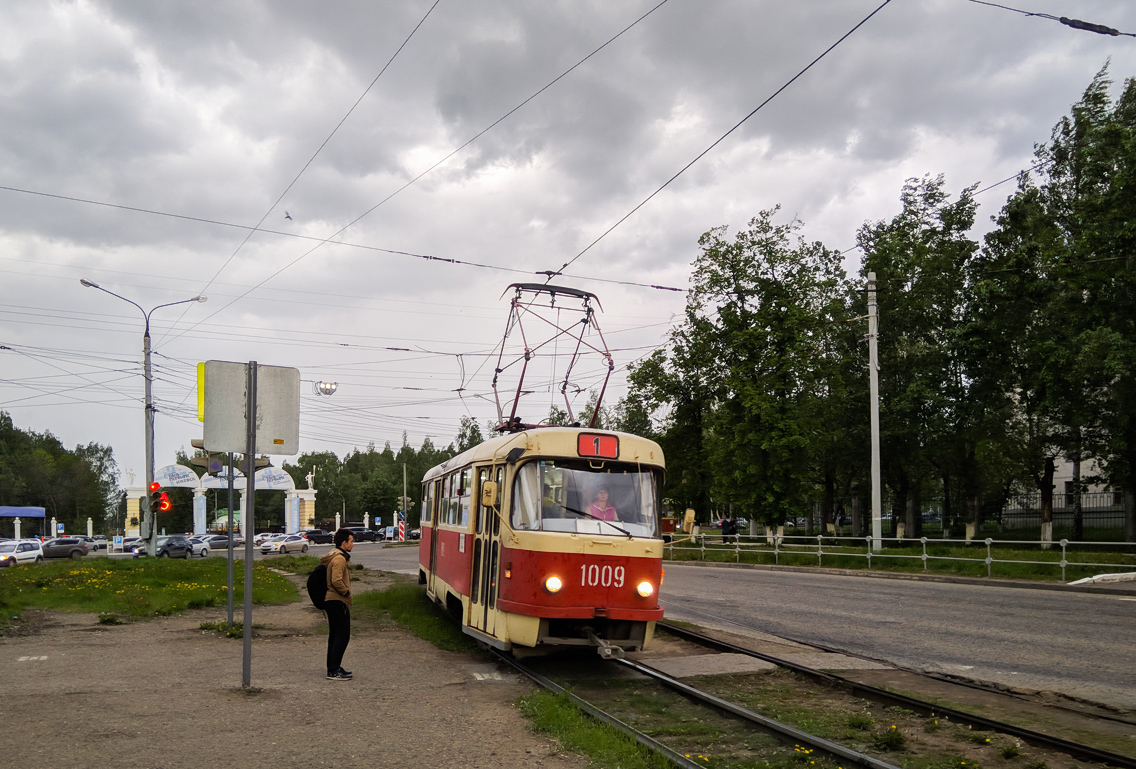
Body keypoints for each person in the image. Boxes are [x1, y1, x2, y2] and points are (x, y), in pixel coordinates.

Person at [321, 528, 354, 681]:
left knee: (335, 636)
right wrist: (346, 592)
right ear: (344, 542)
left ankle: (334, 667)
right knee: (342, 635)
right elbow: (336, 580)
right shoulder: (339, 558)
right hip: (337, 600)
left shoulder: (334, 555)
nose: (353, 544)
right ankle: (333, 670)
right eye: (351, 541)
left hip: (332, 601)